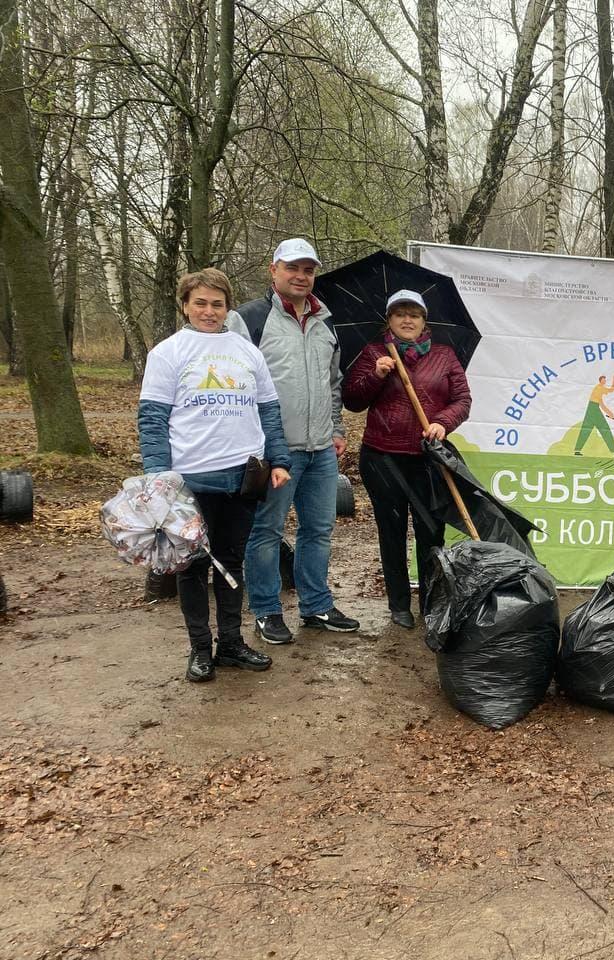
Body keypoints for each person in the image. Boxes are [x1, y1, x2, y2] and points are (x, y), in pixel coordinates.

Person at [138, 268, 292, 682]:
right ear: (185, 305)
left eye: (217, 304)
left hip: (243, 477)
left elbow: (269, 411)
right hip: (190, 481)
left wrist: (279, 461)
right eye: (200, 303)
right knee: (191, 568)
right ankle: (200, 649)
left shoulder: (247, 352)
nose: (209, 311)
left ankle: (231, 643)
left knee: (231, 562)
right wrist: (159, 478)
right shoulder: (168, 353)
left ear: (228, 307)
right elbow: (152, 420)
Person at [229, 238, 360, 643]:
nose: (301, 276)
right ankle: (267, 611)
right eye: (292, 268)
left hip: (321, 449)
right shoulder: (248, 319)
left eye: (308, 270)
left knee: (318, 530)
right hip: (273, 452)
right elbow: (235, 388)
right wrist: (252, 445)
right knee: (265, 532)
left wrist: (335, 428)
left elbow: (332, 382)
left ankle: (316, 605)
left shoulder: (326, 321)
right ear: (274, 270)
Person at [341, 290, 472, 628]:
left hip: (427, 459)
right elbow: (353, 400)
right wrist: (377, 374)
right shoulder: (374, 353)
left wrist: (443, 422)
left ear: (424, 321)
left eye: (414, 314)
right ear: (389, 320)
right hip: (382, 458)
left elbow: (462, 399)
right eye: (400, 314)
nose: (407, 320)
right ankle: (399, 604)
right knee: (392, 530)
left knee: (431, 532)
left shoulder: (444, 356)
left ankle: (431, 602)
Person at [573, 375, 614, 456]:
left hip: (594, 408)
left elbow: (603, 400)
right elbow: (608, 394)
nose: (605, 381)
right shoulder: (599, 388)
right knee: (601, 428)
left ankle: (577, 450)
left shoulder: (600, 388)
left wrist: (609, 413)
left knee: (589, 429)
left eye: (605, 380)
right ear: (600, 381)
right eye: (603, 380)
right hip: (592, 409)